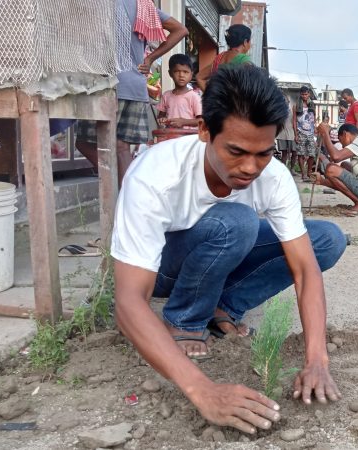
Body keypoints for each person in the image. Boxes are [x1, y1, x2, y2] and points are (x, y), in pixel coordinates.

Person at [112, 65, 346, 434]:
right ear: (205, 130)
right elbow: (128, 301)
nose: (250, 167)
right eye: (236, 151)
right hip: (166, 269)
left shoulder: (273, 176)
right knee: (237, 221)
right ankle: (185, 319)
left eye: (264, 153)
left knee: (326, 240)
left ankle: (225, 305)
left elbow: (304, 270)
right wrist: (202, 390)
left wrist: (317, 359)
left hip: (220, 250)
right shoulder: (155, 174)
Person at [75, 0, 188, 186]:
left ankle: (113, 182)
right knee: (122, 147)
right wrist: (150, 58)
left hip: (106, 84)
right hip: (135, 85)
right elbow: (180, 29)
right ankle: (127, 196)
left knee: (84, 143)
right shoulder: (143, 6)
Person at [196, 24, 252, 90]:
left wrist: (211, 97)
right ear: (245, 42)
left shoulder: (219, 57)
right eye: (250, 41)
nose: (250, 44)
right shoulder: (243, 59)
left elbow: (199, 77)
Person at [157, 54, 202, 129]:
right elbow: (161, 116)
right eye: (177, 71)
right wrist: (162, 120)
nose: (181, 75)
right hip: (170, 137)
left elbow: (201, 120)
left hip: (188, 138)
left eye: (185, 72)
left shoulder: (194, 97)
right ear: (170, 73)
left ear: (191, 74)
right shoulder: (166, 95)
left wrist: (183, 122)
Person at [294, 86, 317, 182]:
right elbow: (294, 121)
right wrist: (295, 134)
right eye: (303, 94)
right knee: (300, 154)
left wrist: (315, 130)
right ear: (300, 94)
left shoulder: (312, 105)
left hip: (311, 132)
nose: (304, 96)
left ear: (309, 94)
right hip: (300, 131)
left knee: (312, 154)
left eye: (306, 94)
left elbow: (313, 119)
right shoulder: (296, 106)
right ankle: (303, 174)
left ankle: (309, 172)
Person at [277, 96, 296, 174]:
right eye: (283, 100)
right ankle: (283, 170)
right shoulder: (278, 110)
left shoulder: (292, 109)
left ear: (289, 102)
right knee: (284, 153)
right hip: (282, 134)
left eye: (287, 101)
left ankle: (292, 169)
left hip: (291, 133)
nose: (285, 102)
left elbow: (295, 121)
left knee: (294, 152)